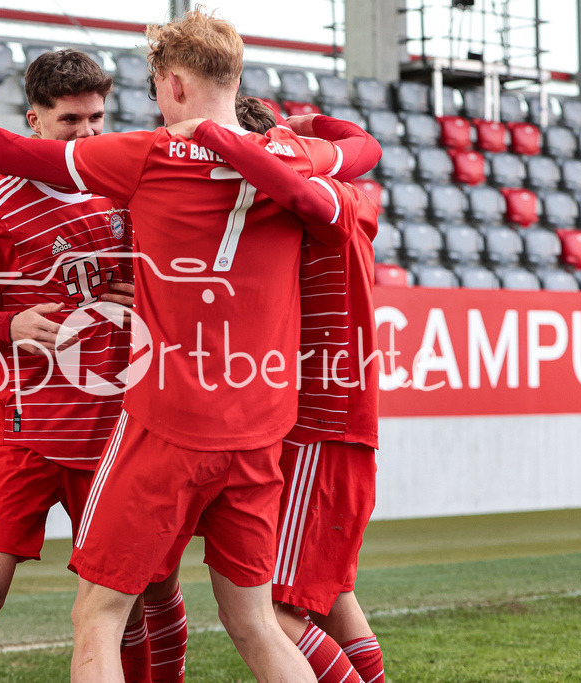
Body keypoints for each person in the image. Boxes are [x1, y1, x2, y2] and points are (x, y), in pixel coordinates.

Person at [0, 8, 373, 681]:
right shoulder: (295, 161)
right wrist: (298, 131)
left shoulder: (149, 157)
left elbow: (25, 154)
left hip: (167, 423)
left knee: (101, 613)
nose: (89, 129)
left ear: (171, 85)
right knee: (254, 620)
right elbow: (363, 150)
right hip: (257, 428)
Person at [0, 49, 175, 683]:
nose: (88, 134)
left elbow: (170, 287)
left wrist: (145, 294)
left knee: (143, 595)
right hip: (22, 434)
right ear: (33, 119)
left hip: (114, 435)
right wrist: (6, 325)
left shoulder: (126, 190)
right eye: (71, 121)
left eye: (97, 118)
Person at [186, 110, 386, 682]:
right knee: (334, 597)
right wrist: (311, 120)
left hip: (322, 423)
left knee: (273, 608)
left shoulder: (315, 197)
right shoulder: (345, 195)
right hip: (334, 417)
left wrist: (210, 131)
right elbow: (357, 141)